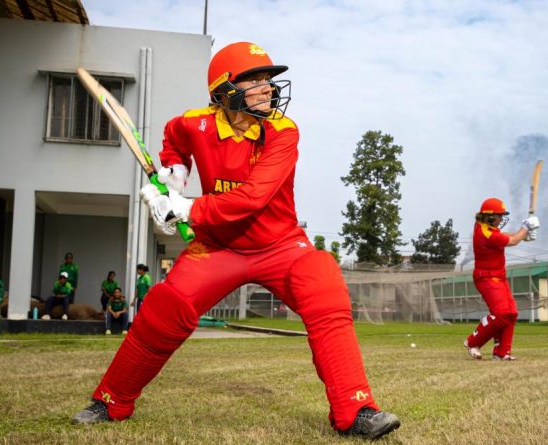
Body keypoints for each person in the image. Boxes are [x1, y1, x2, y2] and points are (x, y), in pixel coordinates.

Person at [72, 41, 400, 439]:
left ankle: (357, 410)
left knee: (323, 281)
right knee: (164, 307)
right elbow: (175, 136)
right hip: (217, 247)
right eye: (257, 81)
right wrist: (175, 172)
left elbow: (252, 199)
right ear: (225, 90)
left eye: (269, 81)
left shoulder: (283, 132)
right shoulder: (195, 123)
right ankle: (110, 401)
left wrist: (186, 208)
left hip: (280, 244)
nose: (269, 89)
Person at [464, 198, 539, 361]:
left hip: (498, 276)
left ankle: (502, 353)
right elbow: (512, 241)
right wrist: (525, 229)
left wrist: (524, 234)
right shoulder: (486, 233)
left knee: (511, 313)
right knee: (502, 313)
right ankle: (472, 342)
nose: (501, 219)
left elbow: (506, 236)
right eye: (499, 216)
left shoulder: (484, 226)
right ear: (490, 217)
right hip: (487, 278)